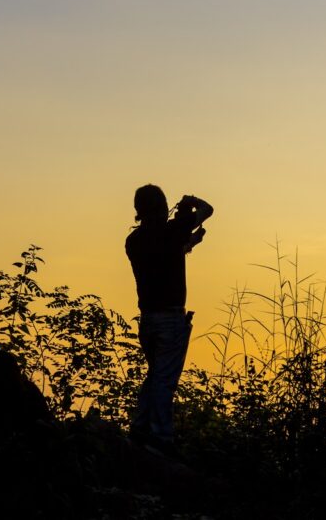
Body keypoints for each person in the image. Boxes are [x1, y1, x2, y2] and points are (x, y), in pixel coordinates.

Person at [125, 184, 213, 456]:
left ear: (139, 210)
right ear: (163, 206)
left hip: (147, 319)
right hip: (170, 318)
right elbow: (208, 210)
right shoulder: (173, 230)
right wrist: (190, 202)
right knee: (164, 380)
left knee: (155, 376)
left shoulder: (134, 241)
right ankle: (160, 437)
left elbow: (163, 254)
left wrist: (187, 244)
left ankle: (140, 427)